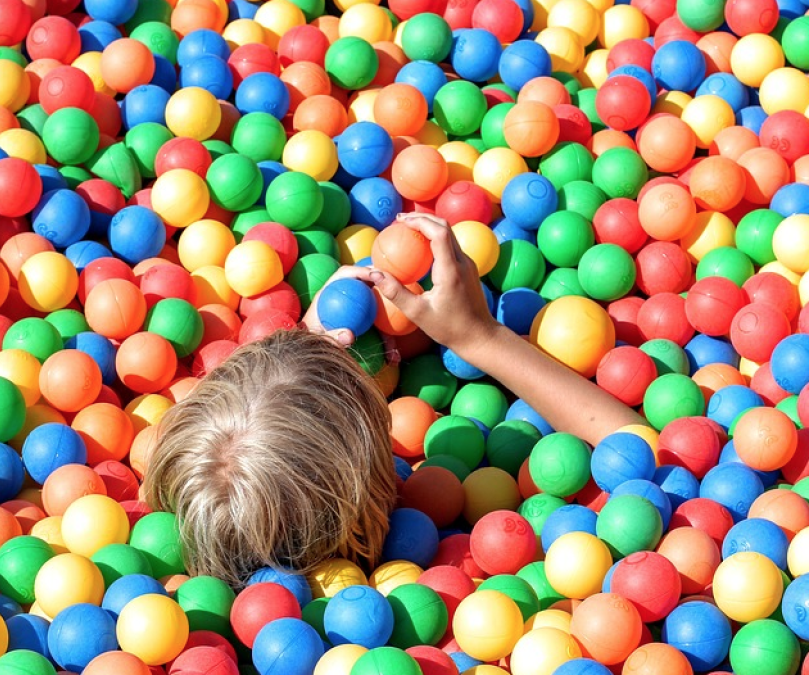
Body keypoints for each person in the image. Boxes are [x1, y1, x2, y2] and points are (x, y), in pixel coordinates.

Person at [142, 213, 645, 586]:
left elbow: (248, 440)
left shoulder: (190, 533)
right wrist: (479, 337)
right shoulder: (419, 581)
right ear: (364, 503)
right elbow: (633, 454)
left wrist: (306, 350)